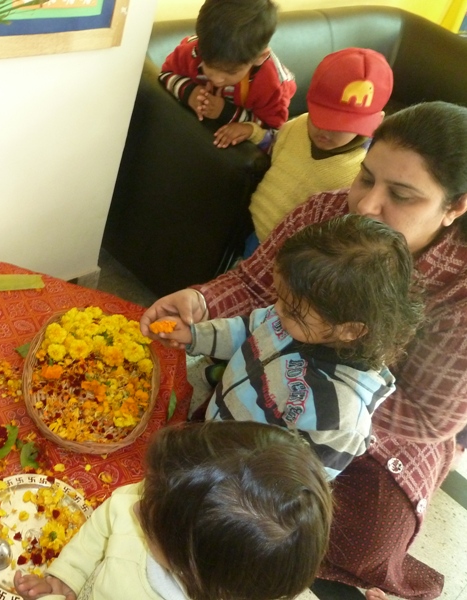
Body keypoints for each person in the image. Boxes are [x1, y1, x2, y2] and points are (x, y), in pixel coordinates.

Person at [140, 101, 467, 600]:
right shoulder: (325, 213)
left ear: (454, 208)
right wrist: (201, 303)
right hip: (273, 373)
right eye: (365, 178)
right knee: (205, 455)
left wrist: (306, 402)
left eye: (401, 195)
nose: (366, 205)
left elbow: (425, 417)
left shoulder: (460, 291)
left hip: (376, 430)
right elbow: (254, 287)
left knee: (345, 530)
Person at [152, 215, 422, 480]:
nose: (276, 310)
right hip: (218, 426)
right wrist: (195, 335)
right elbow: (245, 331)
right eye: (279, 297)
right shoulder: (295, 320)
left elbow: (298, 482)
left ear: (350, 330)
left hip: (237, 477)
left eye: (292, 310)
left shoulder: (339, 416)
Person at [14, 421, 333, 600]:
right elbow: (109, 519)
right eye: (149, 487)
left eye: (149, 523)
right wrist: (69, 575)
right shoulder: (164, 502)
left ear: (191, 569)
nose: (134, 505)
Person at [213, 48, 393, 255]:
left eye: (340, 126)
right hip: (255, 227)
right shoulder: (298, 125)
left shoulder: (364, 170)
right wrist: (253, 133)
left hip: (293, 254)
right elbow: (277, 145)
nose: (325, 131)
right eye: (319, 118)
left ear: (375, 122)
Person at [159, 0, 296, 131]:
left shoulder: (272, 84)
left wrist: (228, 114)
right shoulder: (193, 50)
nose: (216, 79)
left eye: (231, 72)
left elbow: (273, 129)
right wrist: (190, 93)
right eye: (208, 64)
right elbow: (165, 74)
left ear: (259, 58)